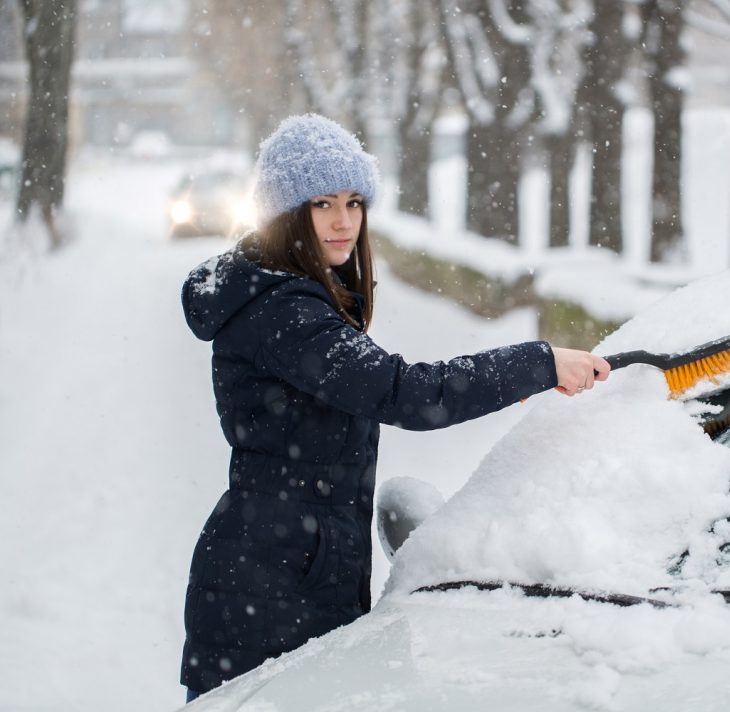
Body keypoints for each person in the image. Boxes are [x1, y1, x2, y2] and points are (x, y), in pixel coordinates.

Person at [178, 113, 609, 702]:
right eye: (323, 203)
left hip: (292, 571)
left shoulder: (292, 294)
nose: (343, 221)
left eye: (355, 202)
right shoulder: (285, 312)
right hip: (267, 594)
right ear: (287, 212)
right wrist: (536, 363)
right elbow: (406, 393)